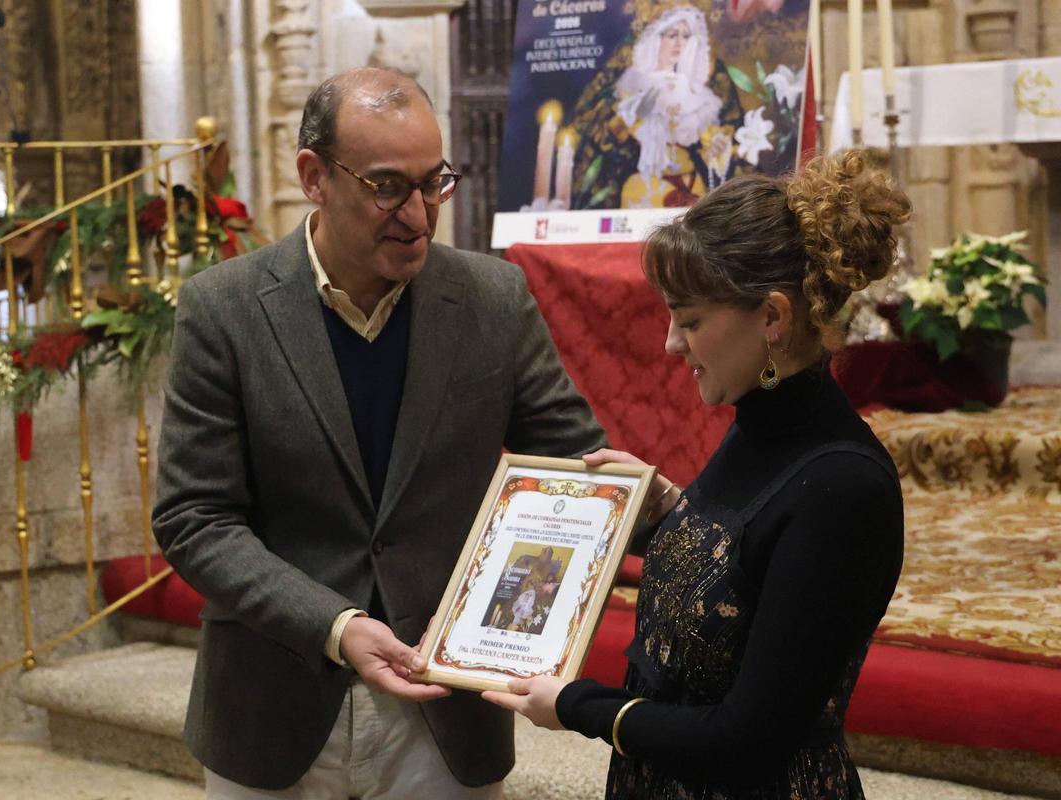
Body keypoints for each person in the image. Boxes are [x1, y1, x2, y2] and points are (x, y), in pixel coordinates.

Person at [151, 66, 606, 799]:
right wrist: (334, 625)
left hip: (446, 712)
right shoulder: (224, 310)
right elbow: (194, 518)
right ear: (314, 176)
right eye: (389, 186)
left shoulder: (492, 299)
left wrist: (691, 515)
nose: (421, 216)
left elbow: (583, 475)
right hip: (274, 706)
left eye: (436, 183)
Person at [484, 150, 911, 799]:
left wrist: (579, 707)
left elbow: (743, 740)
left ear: (772, 317)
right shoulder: (760, 424)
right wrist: (670, 513)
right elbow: (748, 573)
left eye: (690, 320)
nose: (670, 345)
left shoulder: (843, 488)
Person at [614, 4, 723, 206]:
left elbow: (712, 146)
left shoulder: (699, 94)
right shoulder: (637, 83)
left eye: (686, 36)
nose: (679, 43)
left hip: (692, 183)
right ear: (657, 38)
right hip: (645, 186)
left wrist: (718, 149)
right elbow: (620, 132)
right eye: (672, 34)